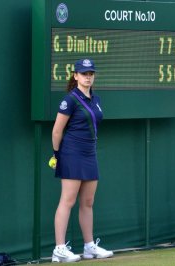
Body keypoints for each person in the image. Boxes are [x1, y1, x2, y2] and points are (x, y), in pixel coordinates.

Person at [50, 59, 113, 262]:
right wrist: (56, 154)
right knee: (67, 200)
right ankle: (59, 249)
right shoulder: (69, 100)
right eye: (84, 73)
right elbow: (57, 130)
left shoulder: (96, 99)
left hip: (89, 153)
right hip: (71, 153)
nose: (88, 76)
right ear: (75, 75)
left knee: (88, 202)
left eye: (91, 73)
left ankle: (89, 247)